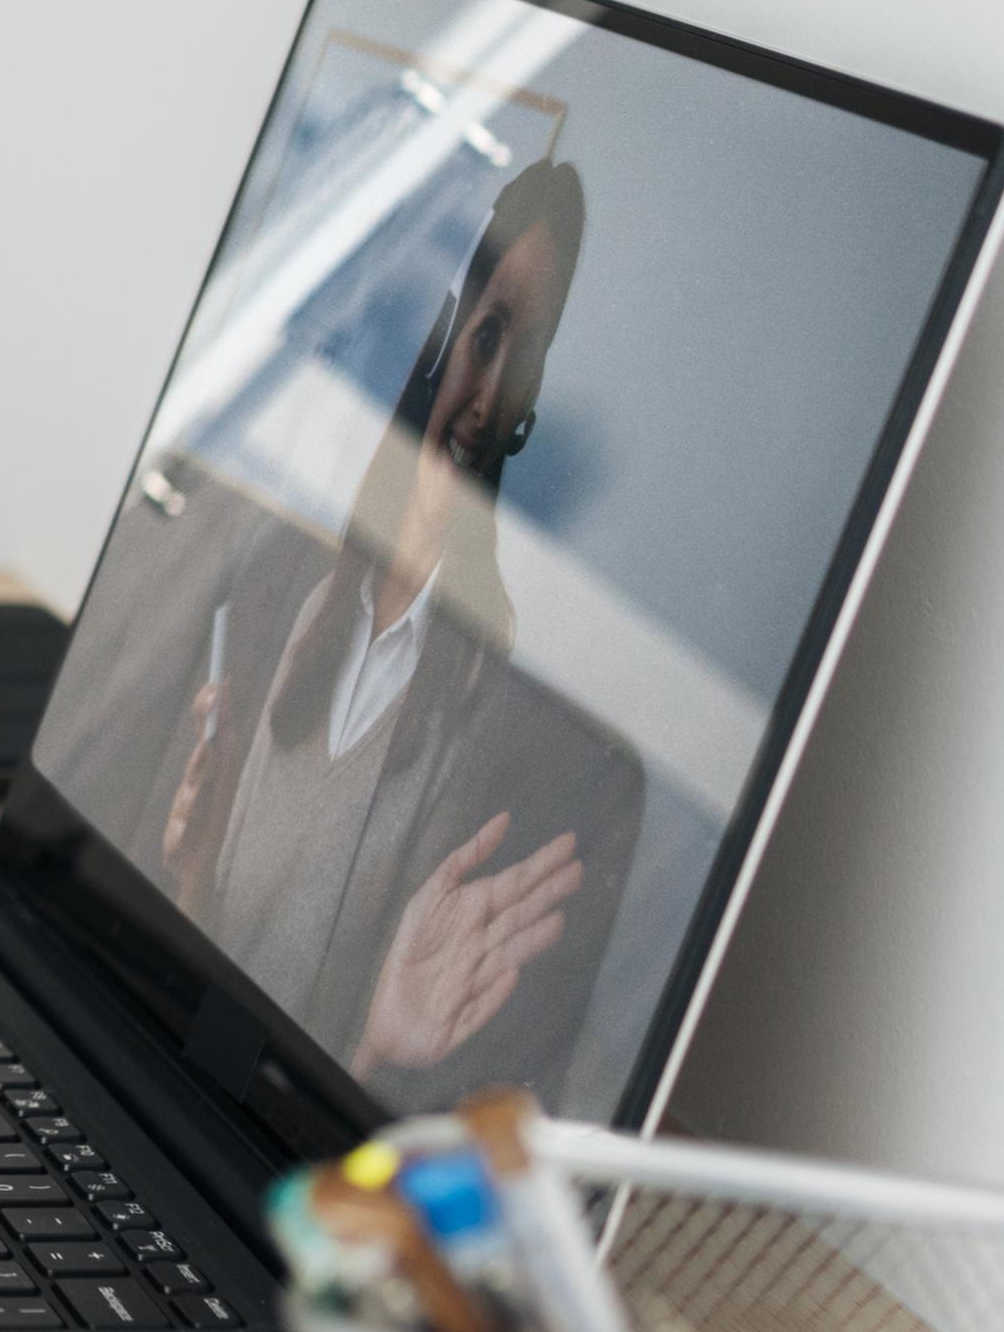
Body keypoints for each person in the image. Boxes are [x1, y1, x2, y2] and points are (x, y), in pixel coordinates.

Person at [45, 157, 643, 1107]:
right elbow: (188, 1006)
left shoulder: (507, 718)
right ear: (439, 340)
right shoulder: (272, 583)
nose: (488, 394)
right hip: (138, 1071)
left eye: (520, 364)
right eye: (484, 337)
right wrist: (192, 881)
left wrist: (374, 1048)